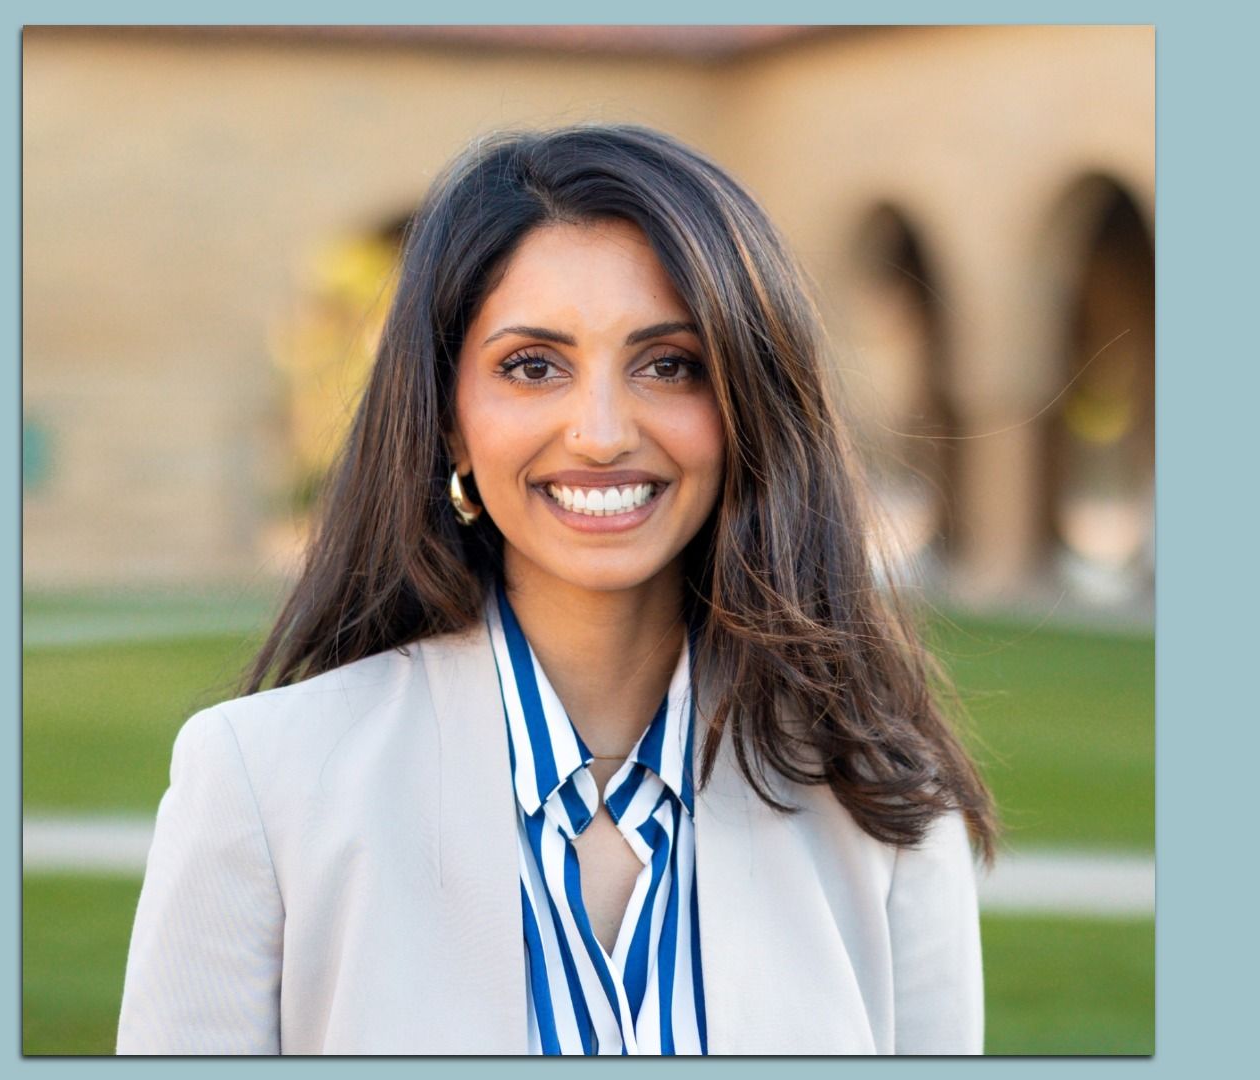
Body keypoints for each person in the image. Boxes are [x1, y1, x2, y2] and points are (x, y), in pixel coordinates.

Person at [116, 123, 998, 1056]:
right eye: (533, 367)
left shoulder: (886, 808)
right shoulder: (261, 787)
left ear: (750, 403)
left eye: (670, 365)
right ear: (448, 420)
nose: (602, 433)